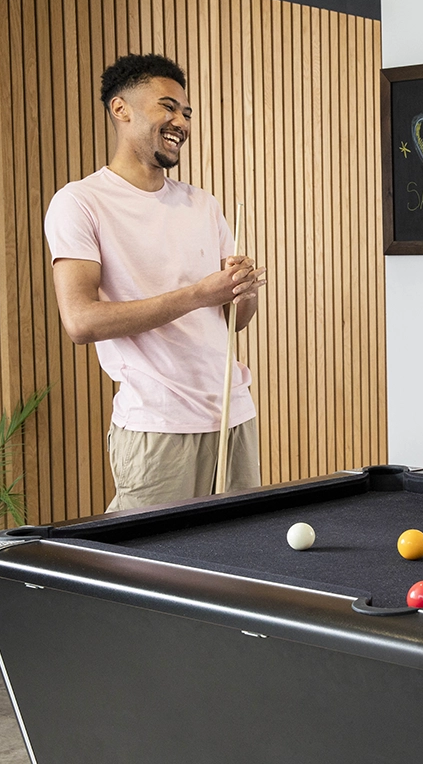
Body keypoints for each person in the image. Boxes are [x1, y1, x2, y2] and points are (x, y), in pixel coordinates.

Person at [44, 54, 267, 512]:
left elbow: (233, 322)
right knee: (153, 572)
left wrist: (242, 291)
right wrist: (198, 293)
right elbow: (80, 322)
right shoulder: (80, 202)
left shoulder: (203, 205)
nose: (180, 121)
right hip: (157, 426)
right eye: (168, 107)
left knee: (240, 568)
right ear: (120, 109)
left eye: (186, 112)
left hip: (234, 416)